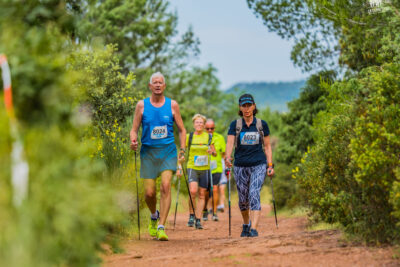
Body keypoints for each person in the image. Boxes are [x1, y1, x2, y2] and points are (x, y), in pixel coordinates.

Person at [130, 72, 186, 241]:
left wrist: (182, 150)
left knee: (166, 186)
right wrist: (133, 139)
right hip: (148, 153)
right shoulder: (141, 105)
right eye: (154, 82)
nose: (157, 85)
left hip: (167, 151)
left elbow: (182, 130)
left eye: (160, 82)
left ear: (165, 86)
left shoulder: (172, 105)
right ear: (149, 86)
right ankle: (154, 215)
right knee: (149, 193)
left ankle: (161, 226)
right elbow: (134, 129)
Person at [224, 94, 275, 237]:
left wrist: (270, 165)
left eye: (249, 105)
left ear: (254, 106)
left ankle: (254, 228)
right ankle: (246, 223)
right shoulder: (236, 125)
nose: (247, 109)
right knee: (243, 200)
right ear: (240, 108)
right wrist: (228, 157)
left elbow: (268, 146)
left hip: (259, 164)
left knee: (254, 193)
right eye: (243, 106)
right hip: (240, 166)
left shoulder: (261, 124)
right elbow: (229, 143)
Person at [186, 114, 216, 229]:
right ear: (194, 124)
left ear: (204, 125)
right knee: (193, 191)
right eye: (197, 122)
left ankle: (198, 219)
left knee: (202, 194)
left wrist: (211, 152)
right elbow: (182, 152)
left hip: (204, 169)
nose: (199, 124)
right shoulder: (189, 137)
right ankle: (191, 215)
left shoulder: (208, 137)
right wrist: (180, 163)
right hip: (192, 167)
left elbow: (214, 153)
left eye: (201, 123)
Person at [202, 119, 226, 221]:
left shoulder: (219, 138)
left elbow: (223, 154)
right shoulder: (200, 137)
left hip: (217, 167)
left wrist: (227, 167)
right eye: (207, 129)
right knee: (206, 191)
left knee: (215, 189)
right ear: (204, 128)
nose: (210, 130)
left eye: (212, 128)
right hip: (203, 166)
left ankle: (215, 212)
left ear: (214, 128)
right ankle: (205, 210)